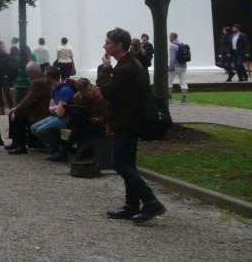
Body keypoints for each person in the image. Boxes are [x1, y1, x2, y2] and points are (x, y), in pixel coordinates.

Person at [98, 27, 167, 224]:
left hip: (127, 121)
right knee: (128, 163)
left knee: (120, 163)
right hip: (130, 119)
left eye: (108, 42)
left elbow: (107, 92)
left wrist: (105, 70)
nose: (104, 45)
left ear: (119, 45)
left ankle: (150, 200)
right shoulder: (129, 63)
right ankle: (131, 204)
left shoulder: (125, 67)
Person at [5, 62, 52, 155]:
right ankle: (16, 143)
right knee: (15, 113)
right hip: (40, 109)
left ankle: (20, 146)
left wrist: (16, 109)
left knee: (18, 116)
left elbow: (29, 99)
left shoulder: (38, 82)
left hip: (41, 112)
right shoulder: (41, 80)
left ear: (30, 73)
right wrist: (16, 108)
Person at [30, 66, 74, 159]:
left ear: (49, 77)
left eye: (45, 76)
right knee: (34, 128)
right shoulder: (54, 89)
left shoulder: (64, 90)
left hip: (66, 118)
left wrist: (54, 108)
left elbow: (60, 113)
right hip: (57, 116)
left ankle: (55, 151)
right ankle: (55, 149)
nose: (44, 78)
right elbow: (50, 109)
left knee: (41, 130)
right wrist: (56, 108)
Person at [59, 77, 106, 162]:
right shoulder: (77, 97)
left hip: (101, 124)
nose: (89, 93)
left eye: (89, 90)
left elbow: (105, 116)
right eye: (85, 92)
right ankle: (79, 153)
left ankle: (65, 151)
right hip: (86, 121)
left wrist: (97, 119)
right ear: (80, 92)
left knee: (79, 125)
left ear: (92, 86)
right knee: (79, 122)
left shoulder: (101, 97)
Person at [168, 32, 189, 104]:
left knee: (169, 81)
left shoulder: (172, 46)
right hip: (183, 66)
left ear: (172, 37)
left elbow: (172, 59)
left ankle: (170, 98)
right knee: (183, 82)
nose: (169, 38)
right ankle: (184, 99)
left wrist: (170, 67)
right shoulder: (182, 44)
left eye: (169, 37)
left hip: (175, 66)